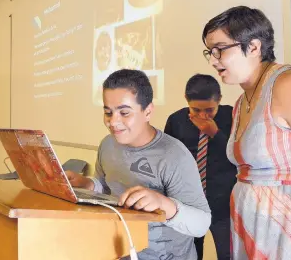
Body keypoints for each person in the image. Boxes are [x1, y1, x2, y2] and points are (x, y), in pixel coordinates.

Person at [66, 69, 211, 259]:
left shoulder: (174, 155)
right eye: (108, 112)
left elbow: (201, 224)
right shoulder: (108, 144)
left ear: (148, 111)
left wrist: (163, 204)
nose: (113, 122)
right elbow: (108, 186)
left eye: (124, 113)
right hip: (120, 249)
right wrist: (88, 184)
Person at [202, 5, 291, 260]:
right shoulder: (242, 101)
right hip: (253, 224)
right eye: (209, 52)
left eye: (220, 49)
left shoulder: (288, 84)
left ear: (253, 46)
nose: (214, 59)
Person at [164, 74, 236, 260]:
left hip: (224, 201)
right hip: (189, 201)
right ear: (186, 101)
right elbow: (169, 160)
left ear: (219, 100)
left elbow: (240, 157)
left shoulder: (234, 116)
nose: (203, 115)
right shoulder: (176, 120)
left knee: (227, 253)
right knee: (192, 252)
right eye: (196, 109)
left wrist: (215, 133)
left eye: (210, 110)